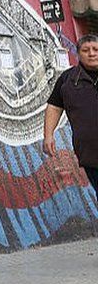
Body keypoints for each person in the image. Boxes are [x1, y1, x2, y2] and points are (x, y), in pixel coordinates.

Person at [43, 34, 98, 193]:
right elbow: (54, 106)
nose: (92, 53)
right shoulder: (67, 79)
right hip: (90, 154)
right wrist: (48, 135)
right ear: (78, 54)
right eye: (86, 50)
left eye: (95, 49)